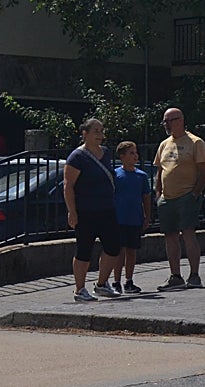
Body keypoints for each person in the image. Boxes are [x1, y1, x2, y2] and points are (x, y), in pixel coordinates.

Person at [63, 117, 121, 302]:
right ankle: (79, 289)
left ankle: (102, 284)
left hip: (107, 209)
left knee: (113, 247)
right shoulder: (77, 157)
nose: (100, 135)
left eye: (101, 131)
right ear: (85, 133)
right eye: (96, 131)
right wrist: (72, 211)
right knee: (84, 250)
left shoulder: (106, 152)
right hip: (85, 211)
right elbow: (68, 185)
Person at [152, 107, 205, 290]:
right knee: (170, 236)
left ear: (181, 120)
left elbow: (203, 171)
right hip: (167, 198)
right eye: (164, 121)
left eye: (170, 120)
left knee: (188, 234)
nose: (167, 125)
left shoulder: (195, 142)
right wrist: (158, 194)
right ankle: (175, 275)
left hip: (187, 195)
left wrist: (196, 193)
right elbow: (160, 170)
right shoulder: (164, 144)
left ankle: (194, 275)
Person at [111, 140, 151, 294]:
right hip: (119, 218)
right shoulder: (115, 174)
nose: (135, 156)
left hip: (135, 217)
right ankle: (116, 281)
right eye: (131, 153)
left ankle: (129, 280)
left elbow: (146, 197)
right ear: (122, 156)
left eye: (136, 153)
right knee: (119, 251)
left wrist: (147, 216)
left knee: (132, 250)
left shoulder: (141, 176)